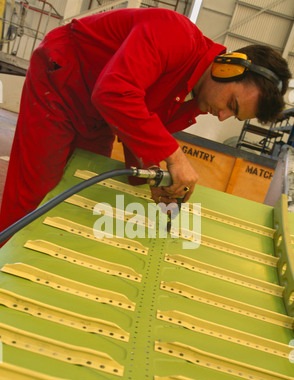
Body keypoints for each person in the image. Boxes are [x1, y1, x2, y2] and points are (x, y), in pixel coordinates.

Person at [0, 7, 291, 233]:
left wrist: (154, 179)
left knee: (86, 188)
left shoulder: (190, 104)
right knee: (35, 191)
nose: (223, 115)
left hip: (97, 114)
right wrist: (173, 157)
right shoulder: (174, 34)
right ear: (228, 68)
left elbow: (136, 129)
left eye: (233, 115)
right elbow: (113, 92)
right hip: (61, 81)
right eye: (231, 104)